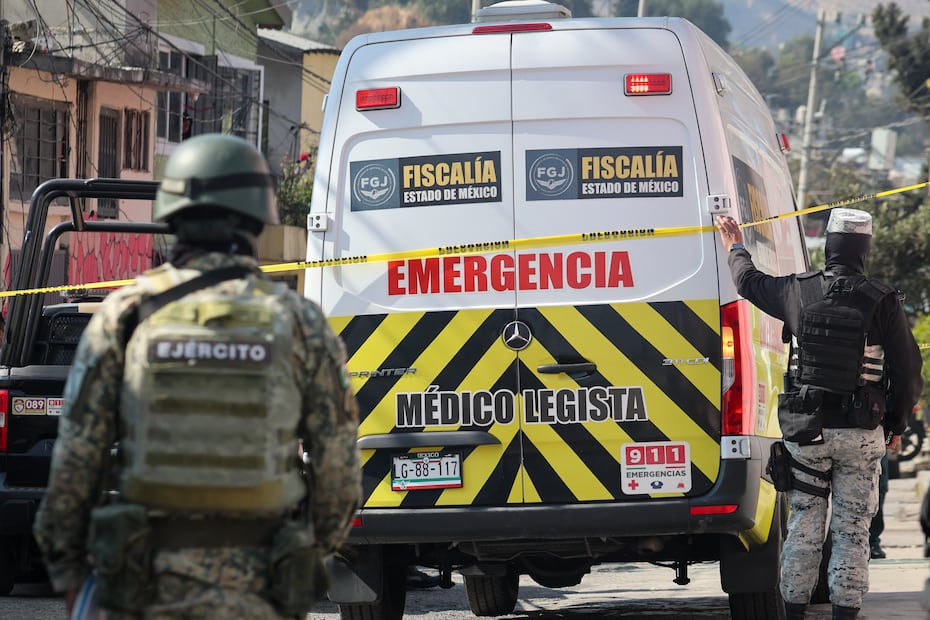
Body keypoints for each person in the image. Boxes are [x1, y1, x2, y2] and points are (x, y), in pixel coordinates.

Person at [33, 133, 362, 619]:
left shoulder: (125, 315)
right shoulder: (299, 323)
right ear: (256, 220)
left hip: (146, 587)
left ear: (173, 216)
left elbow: (76, 461)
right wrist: (306, 555)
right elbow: (338, 473)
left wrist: (70, 575)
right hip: (258, 592)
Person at [715, 208, 922, 620]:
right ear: (864, 249)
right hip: (862, 435)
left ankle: (794, 613)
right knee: (852, 530)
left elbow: (747, 281)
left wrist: (735, 245)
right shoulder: (883, 300)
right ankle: (844, 613)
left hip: (807, 433)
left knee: (804, 528)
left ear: (827, 245)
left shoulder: (797, 290)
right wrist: (895, 425)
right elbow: (908, 371)